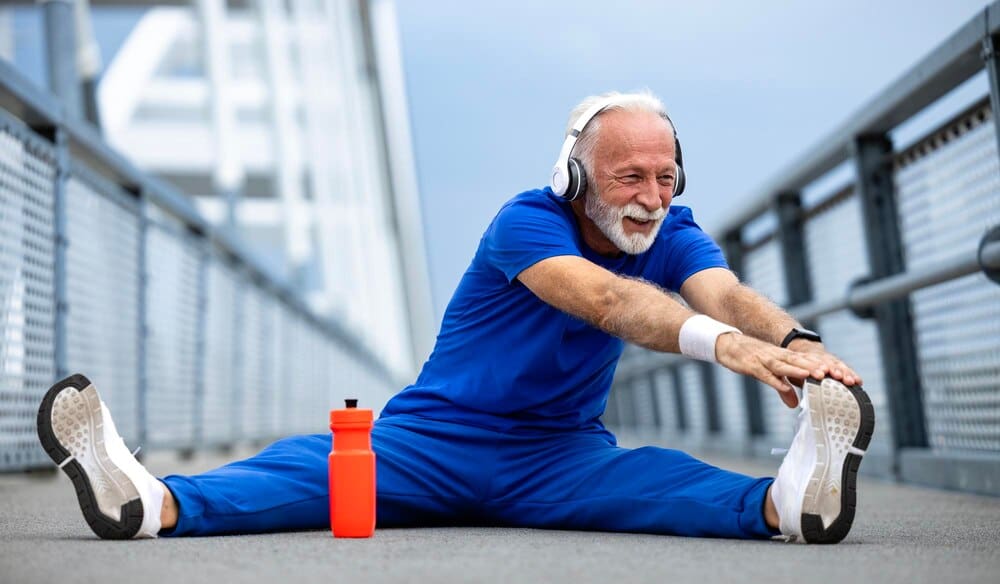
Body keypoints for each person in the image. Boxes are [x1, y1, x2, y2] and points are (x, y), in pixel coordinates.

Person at [37, 90, 874, 545]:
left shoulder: (672, 230)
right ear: (575, 181)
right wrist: (728, 349)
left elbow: (720, 289)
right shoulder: (525, 225)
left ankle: (790, 504)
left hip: (559, 453)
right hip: (437, 437)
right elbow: (606, 300)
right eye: (628, 178)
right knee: (307, 472)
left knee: (665, 482)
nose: (652, 197)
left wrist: (795, 342)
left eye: (666, 176)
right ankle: (147, 501)